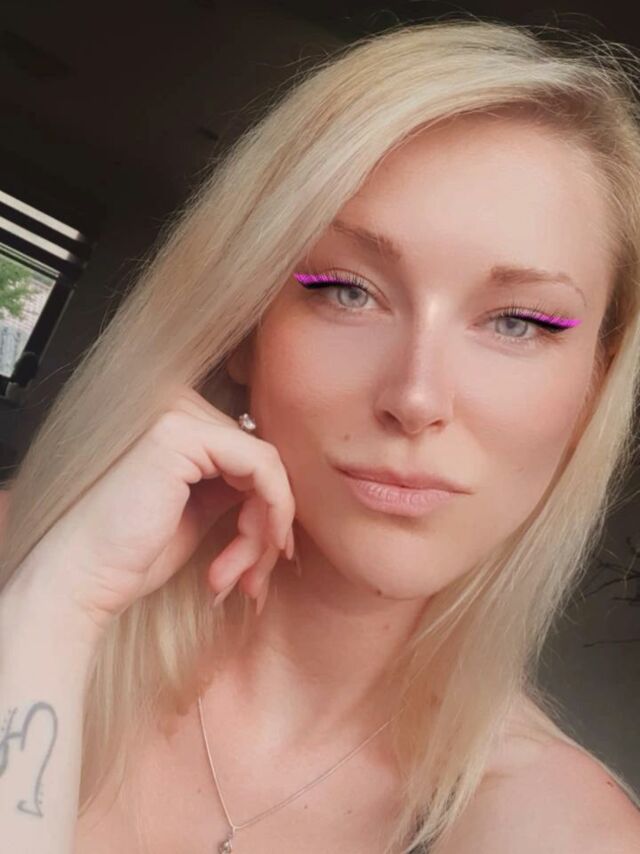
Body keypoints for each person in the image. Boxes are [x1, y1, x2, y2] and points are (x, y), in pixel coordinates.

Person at [1, 17, 640, 854]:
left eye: (519, 321)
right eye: (346, 290)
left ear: (593, 386)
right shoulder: (30, 570)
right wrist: (49, 612)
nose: (415, 397)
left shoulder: (561, 829)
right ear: (245, 324)